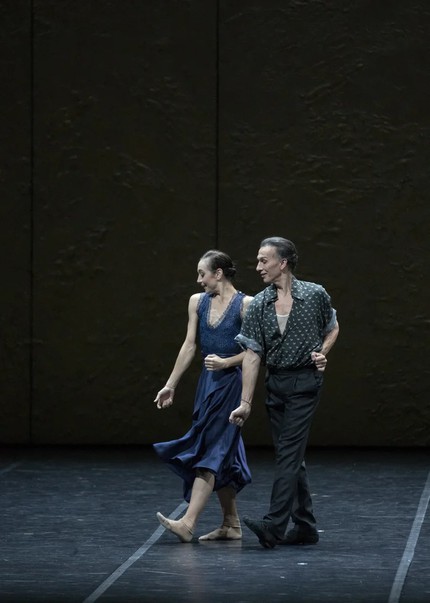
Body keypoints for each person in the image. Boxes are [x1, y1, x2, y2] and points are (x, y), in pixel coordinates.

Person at [229, 236, 339, 549]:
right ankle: (304, 526)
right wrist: (245, 403)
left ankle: (274, 525)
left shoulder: (314, 294)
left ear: (283, 263)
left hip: (304, 382)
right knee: (291, 456)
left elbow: (332, 327)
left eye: (264, 260)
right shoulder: (259, 304)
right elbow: (252, 355)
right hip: (275, 383)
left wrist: (322, 352)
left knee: (289, 452)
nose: (258, 267)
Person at [153, 249, 253, 543]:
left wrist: (226, 362)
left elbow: (255, 352)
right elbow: (189, 345)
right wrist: (171, 384)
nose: (199, 280)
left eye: (202, 273)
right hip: (207, 384)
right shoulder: (197, 302)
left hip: (231, 384)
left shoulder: (245, 305)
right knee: (224, 451)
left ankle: (188, 522)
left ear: (218, 273)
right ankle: (231, 524)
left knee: (212, 449)